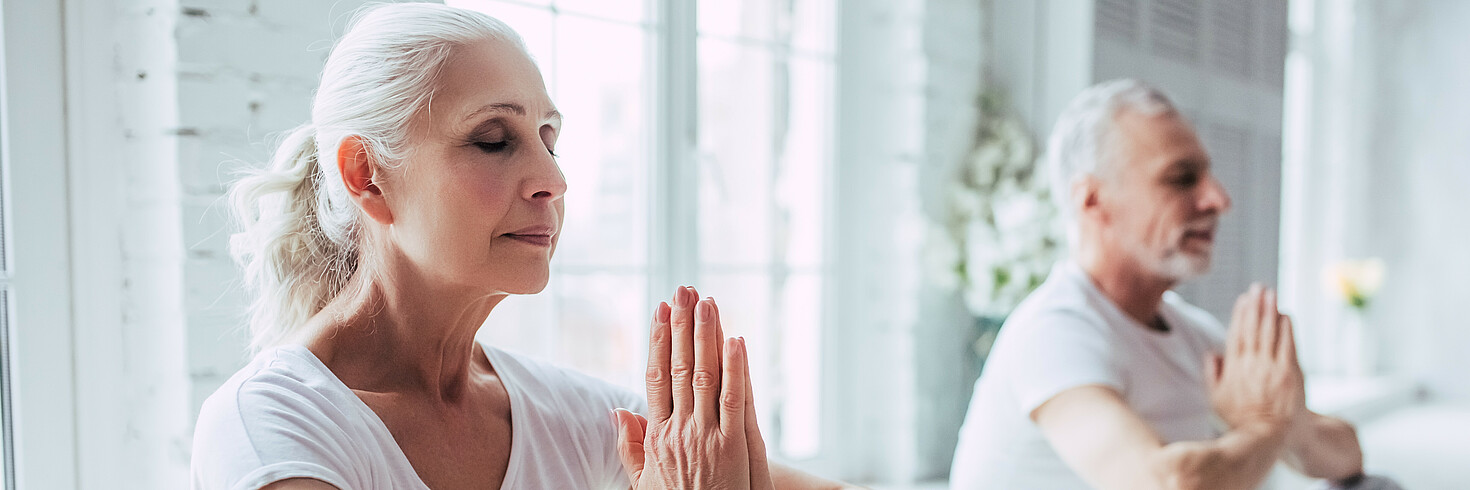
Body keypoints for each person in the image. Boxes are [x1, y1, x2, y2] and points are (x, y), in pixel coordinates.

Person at [189, 4, 852, 489]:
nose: (554, 180)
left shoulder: (579, 418)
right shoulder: (272, 429)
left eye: (549, 137)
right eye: (493, 140)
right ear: (368, 176)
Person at [949, 79, 1368, 490]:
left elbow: (1347, 454)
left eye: (1208, 176)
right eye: (1182, 178)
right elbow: (1168, 485)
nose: (1218, 199)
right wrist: (1268, 426)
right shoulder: (1053, 331)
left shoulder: (1194, 335)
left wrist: (1291, 427)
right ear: (1092, 200)